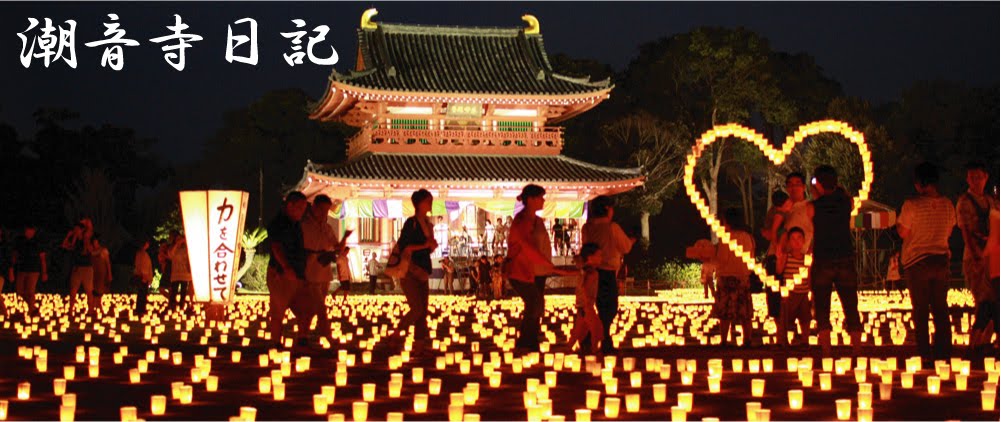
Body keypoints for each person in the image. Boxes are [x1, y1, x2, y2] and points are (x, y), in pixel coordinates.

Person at [897, 162, 956, 364]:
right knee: (940, 307)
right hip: (941, 259)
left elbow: (903, 232)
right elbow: (949, 231)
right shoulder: (948, 204)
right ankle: (944, 353)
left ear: (920, 183)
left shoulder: (911, 205)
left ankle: (924, 353)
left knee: (921, 309)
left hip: (917, 261)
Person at [507, 184, 576, 353]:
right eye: (540, 197)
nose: (543, 200)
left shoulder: (536, 220)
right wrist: (551, 266)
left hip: (537, 271)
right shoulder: (522, 220)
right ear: (530, 200)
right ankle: (525, 342)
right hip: (522, 270)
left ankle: (530, 341)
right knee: (534, 303)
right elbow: (526, 247)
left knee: (536, 305)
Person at [809, 165, 863, 357]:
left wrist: (816, 193)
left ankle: (826, 349)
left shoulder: (813, 207)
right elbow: (846, 195)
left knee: (822, 306)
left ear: (819, 184)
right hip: (845, 257)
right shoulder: (846, 202)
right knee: (850, 305)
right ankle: (856, 348)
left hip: (823, 258)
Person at [581, 195, 636, 354]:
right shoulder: (612, 227)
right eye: (611, 208)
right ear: (607, 209)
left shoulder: (587, 228)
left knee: (595, 307)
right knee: (609, 308)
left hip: (591, 271)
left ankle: (596, 338)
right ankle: (601, 339)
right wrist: (630, 241)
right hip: (607, 273)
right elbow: (625, 247)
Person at [389, 189, 438, 355]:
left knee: (423, 311)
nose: (431, 203)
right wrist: (426, 245)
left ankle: (419, 345)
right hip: (410, 270)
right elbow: (405, 246)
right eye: (428, 200)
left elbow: (426, 251)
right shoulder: (412, 223)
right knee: (416, 308)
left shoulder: (429, 225)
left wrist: (431, 247)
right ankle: (396, 333)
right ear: (419, 203)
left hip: (423, 271)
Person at [956, 161, 997, 348]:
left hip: (993, 258)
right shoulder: (964, 201)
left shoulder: (991, 201)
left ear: (986, 178)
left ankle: (985, 339)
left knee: (994, 301)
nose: (975, 181)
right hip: (976, 258)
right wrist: (977, 255)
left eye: (978, 177)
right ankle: (976, 341)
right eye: (972, 178)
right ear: (967, 179)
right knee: (984, 300)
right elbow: (966, 232)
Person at [266, 191, 309, 347]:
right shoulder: (279, 223)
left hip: (296, 274)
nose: (302, 212)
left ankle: (303, 340)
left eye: (304, 209)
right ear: (290, 205)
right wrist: (286, 267)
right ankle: (275, 343)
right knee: (278, 310)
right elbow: (276, 247)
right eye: (300, 208)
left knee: (304, 309)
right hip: (281, 274)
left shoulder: (296, 224)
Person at [298, 195, 340, 344]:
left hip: (324, 273)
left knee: (312, 308)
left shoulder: (327, 227)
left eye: (327, 211)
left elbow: (335, 245)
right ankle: (328, 337)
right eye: (322, 210)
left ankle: (302, 336)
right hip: (310, 273)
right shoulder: (303, 226)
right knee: (321, 309)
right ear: (314, 208)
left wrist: (342, 244)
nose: (324, 214)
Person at [711, 208, 755, 347]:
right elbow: (751, 257)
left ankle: (724, 339)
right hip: (742, 277)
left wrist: (713, 260)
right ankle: (747, 339)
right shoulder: (748, 237)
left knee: (725, 311)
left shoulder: (726, 237)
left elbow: (722, 259)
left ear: (728, 222)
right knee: (744, 311)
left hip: (727, 277)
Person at [776, 227, 812, 347]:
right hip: (789, 294)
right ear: (789, 242)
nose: (796, 241)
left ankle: (805, 341)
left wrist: (811, 291)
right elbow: (779, 271)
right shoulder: (787, 257)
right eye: (793, 239)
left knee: (805, 319)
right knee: (785, 318)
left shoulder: (806, 259)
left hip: (803, 293)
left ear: (804, 241)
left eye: (799, 238)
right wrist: (780, 258)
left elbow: (809, 276)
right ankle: (782, 341)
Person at [972, 204, 1000, 357]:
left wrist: (982, 256)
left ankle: (976, 342)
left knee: (991, 304)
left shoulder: (995, 214)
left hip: (995, 266)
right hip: (995, 266)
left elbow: (992, 241)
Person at [763, 190, 793, 323]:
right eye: (788, 202)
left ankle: (779, 316)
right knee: (777, 287)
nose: (791, 204)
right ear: (782, 204)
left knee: (776, 288)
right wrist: (777, 248)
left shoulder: (776, 212)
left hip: (776, 253)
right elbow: (774, 231)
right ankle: (779, 316)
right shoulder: (779, 215)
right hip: (776, 255)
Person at [569, 243, 604, 355]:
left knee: (579, 333)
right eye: (599, 255)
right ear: (590, 257)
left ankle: (567, 350)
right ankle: (594, 352)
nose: (601, 258)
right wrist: (588, 305)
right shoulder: (591, 272)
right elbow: (584, 287)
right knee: (597, 330)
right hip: (586, 307)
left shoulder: (585, 270)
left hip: (582, 307)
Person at [12, 224, 47, 317]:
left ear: (34, 232)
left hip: (33, 270)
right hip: (22, 269)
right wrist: (12, 267)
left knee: (30, 292)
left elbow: (42, 258)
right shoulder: (20, 241)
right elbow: (15, 255)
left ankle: (32, 312)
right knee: (19, 291)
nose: (29, 233)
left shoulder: (37, 243)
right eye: (27, 230)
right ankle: (33, 308)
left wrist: (44, 272)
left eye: (31, 231)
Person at [63, 221, 94, 315]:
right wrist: (68, 237)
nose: (75, 231)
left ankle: (91, 310)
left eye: (77, 229)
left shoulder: (86, 240)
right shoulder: (74, 241)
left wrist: (85, 239)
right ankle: (70, 310)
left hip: (87, 268)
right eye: (74, 229)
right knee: (73, 290)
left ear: (82, 230)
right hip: (76, 268)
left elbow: (88, 251)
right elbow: (65, 246)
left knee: (89, 290)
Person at [166, 231, 193, 314]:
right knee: (173, 292)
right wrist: (177, 245)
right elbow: (170, 255)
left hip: (185, 274)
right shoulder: (172, 248)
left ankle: (181, 307)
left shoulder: (186, 249)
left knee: (183, 292)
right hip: (175, 274)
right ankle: (172, 307)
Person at [132, 239, 154, 316]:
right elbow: (142, 266)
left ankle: (140, 310)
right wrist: (144, 277)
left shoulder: (142, 253)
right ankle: (140, 310)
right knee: (142, 294)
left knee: (142, 294)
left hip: (143, 277)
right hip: (143, 277)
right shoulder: (142, 254)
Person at [91, 235, 112, 300]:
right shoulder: (91, 250)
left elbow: (108, 263)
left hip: (101, 272)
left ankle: (100, 303)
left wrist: (109, 273)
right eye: (93, 242)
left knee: (101, 289)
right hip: (94, 272)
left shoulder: (104, 250)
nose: (95, 243)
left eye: (96, 241)